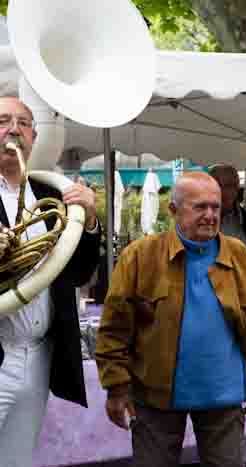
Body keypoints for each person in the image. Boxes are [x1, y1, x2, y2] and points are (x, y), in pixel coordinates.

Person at [95, 172, 246, 467]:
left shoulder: (241, 257)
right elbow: (114, 329)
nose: (210, 216)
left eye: (215, 207)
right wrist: (116, 387)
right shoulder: (140, 257)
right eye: (199, 207)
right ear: (173, 211)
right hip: (155, 397)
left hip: (224, 397)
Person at [0, 96, 101, 466]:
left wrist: (89, 220)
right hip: (0, 349)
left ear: (34, 136)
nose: (13, 129)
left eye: (23, 123)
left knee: (17, 459)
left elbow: (78, 273)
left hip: (39, 355)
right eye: (3, 121)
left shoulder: (50, 195)